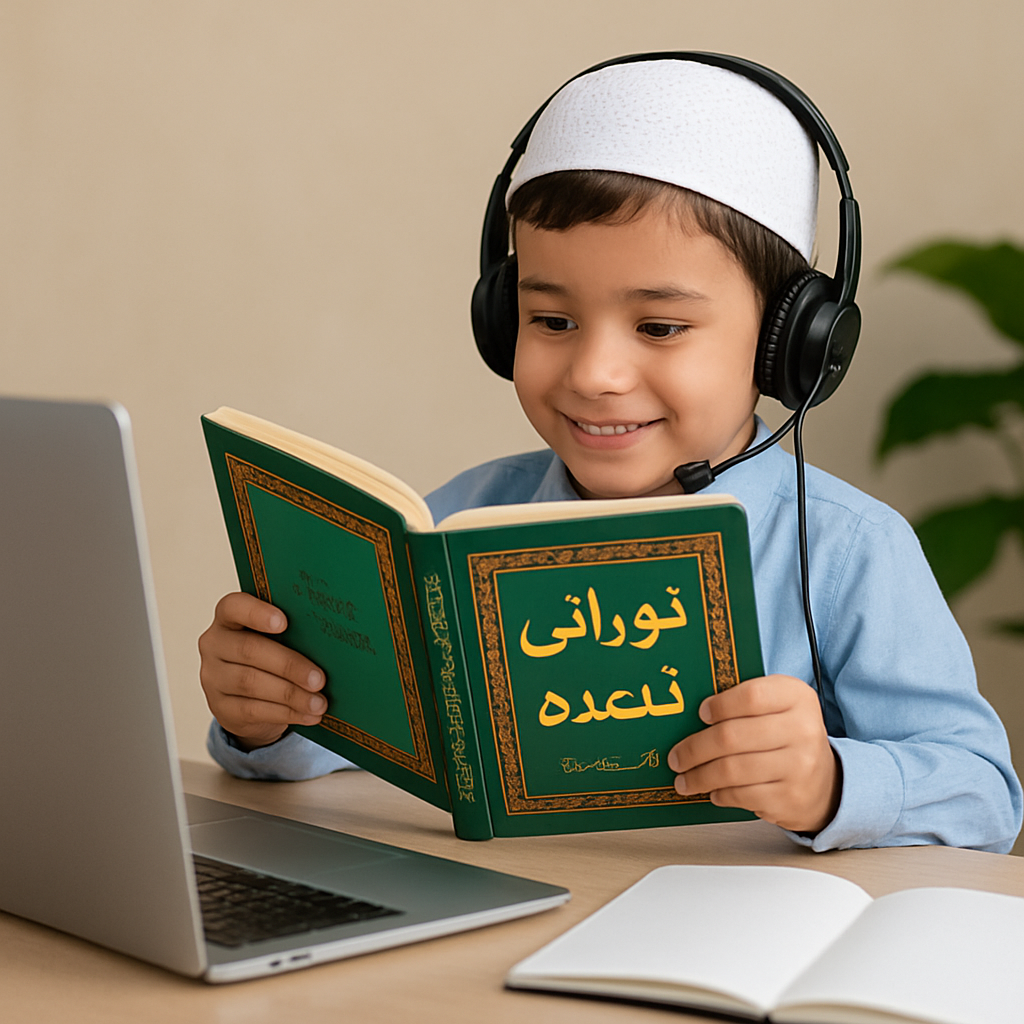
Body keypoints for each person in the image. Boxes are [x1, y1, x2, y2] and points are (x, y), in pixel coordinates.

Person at [199, 56, 1022, 852]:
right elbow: (360, 745)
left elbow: (984, 796)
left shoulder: (848, 550)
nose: (594, 375)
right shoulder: (457, 520)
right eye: (551, 322)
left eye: (660, 327)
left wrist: (830, 784)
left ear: (789, 346)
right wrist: (266, 713)